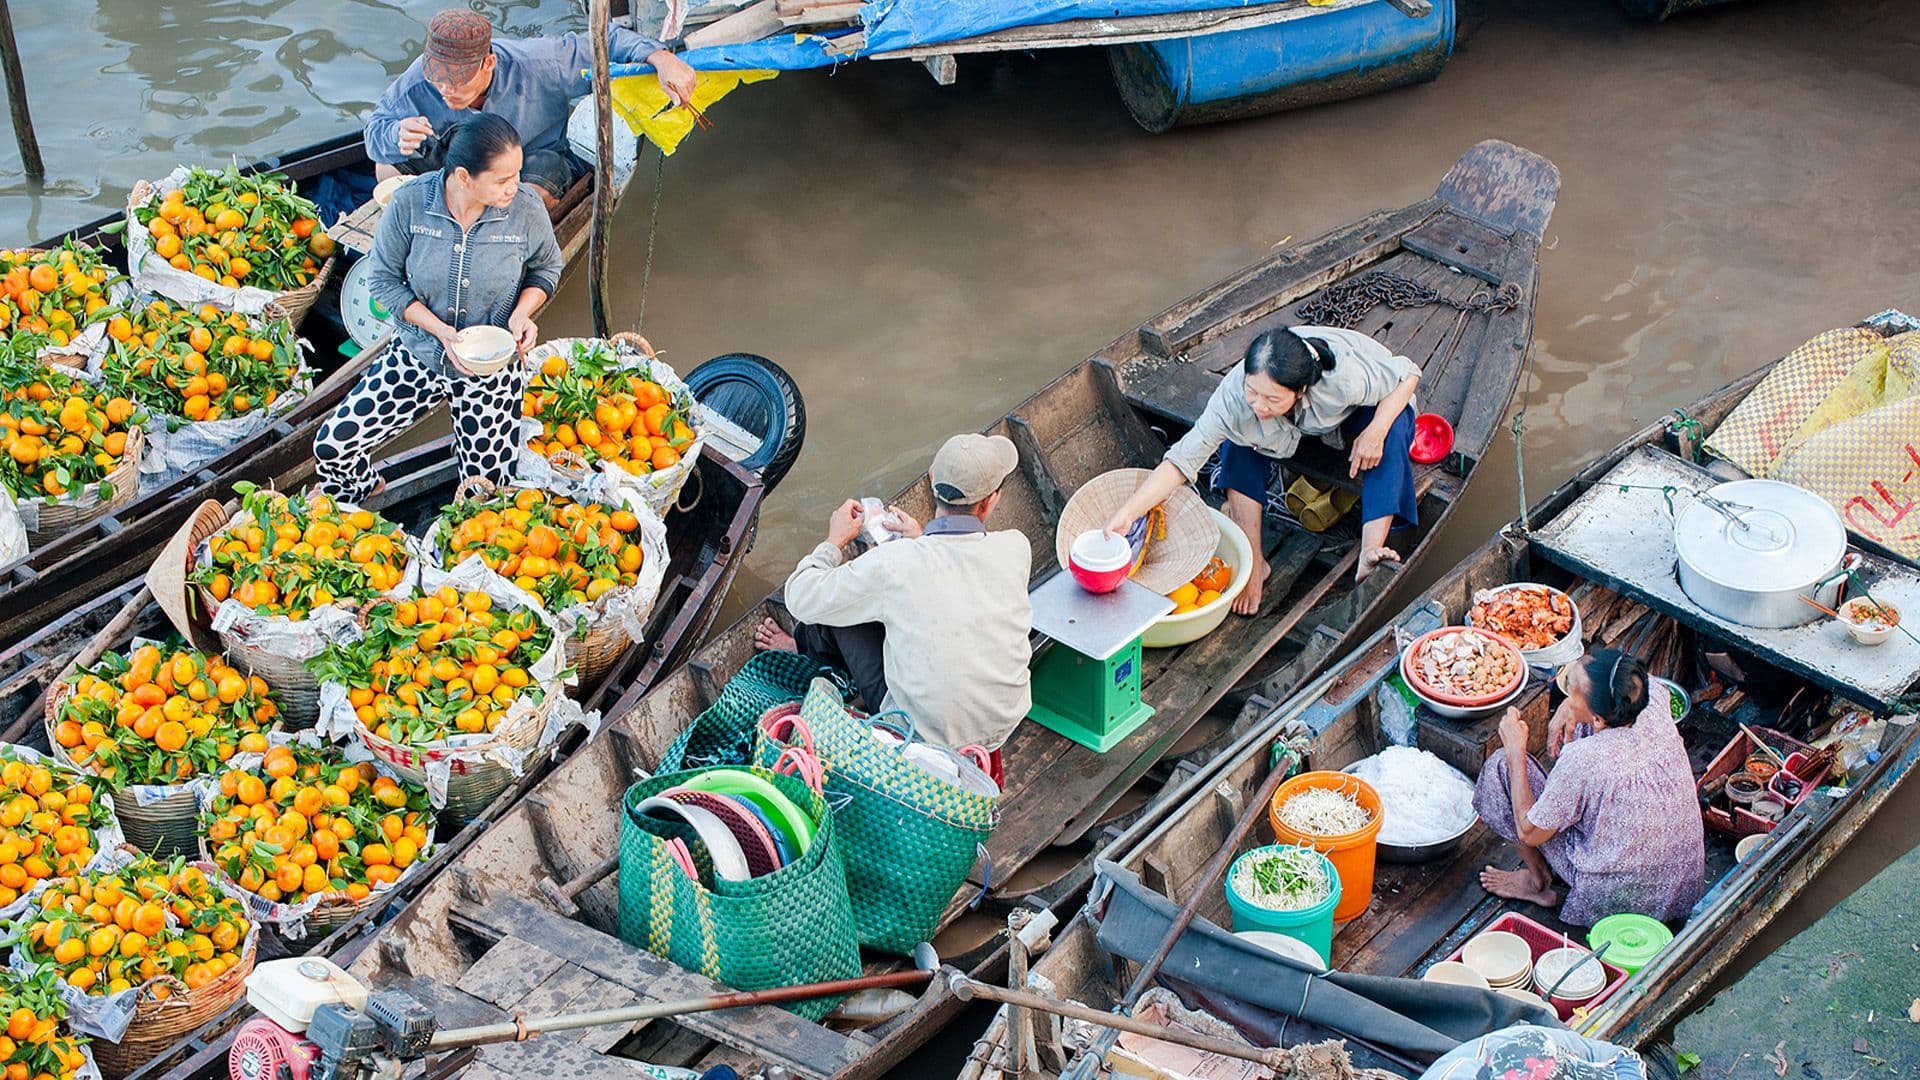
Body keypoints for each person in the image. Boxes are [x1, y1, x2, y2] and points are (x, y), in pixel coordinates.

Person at [313, 114, 561, 502]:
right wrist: (441, 332)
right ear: (464, 177)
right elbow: (384, 280)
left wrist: (522, 314)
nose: (515, 187)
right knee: (333, 447)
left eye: (517, 174)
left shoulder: (526, 209)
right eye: (502, 180)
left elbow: (547, 267)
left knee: (485, 492)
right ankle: (364, 493)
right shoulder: (411, 203)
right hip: (419, 353)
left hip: (490, 367)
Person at [754, 434, 1033, 770]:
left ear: (931, 477)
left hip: (920, 736)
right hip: (1001, 724)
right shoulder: (1016, 547)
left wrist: (834, 540)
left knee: (841, 608)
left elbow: (800, 597)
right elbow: (959, 565)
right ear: (989, 502)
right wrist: (922, 537)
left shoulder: (896, 563)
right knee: (893, 602)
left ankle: (801, 647)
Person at [1104, 326, 1421, 611]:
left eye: (1271, 398)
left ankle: (1370, 550)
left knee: (1392, 436)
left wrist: (1376, 431)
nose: (1258, 405)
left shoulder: (1343, 379)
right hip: (1291, 429)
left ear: (1300, 391)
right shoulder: (1234, 398)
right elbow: (1180, 461)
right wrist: (1129, 512)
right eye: (1252, 391)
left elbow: (1408, 374)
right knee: (1236, 443)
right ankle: (1254, 560)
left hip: (1364, 405)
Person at [365, 9, 699, 208]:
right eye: (438, 78)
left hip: (530, 159)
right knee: (387, 165)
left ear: (489, 64)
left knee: (534, 196)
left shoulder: (539, 63)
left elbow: (607, 39)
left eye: (458, 80)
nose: (445, 89)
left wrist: (662, 58)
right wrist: (395, 134)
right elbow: (375, 130)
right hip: (459, 159)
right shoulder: (417, 78)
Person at [1473, 649, 1706, 927]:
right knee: (1579, 732)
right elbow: (1632, 679)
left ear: (1598, 718)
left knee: (1501, 767)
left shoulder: (1585, 760)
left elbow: (1529, 831)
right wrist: (1567, 709)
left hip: (1614, 901)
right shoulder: (1652, 695)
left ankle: (1537, 881)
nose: (1567, 698)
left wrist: (1515, 749)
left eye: (1571, 694)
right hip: (1677, 886)